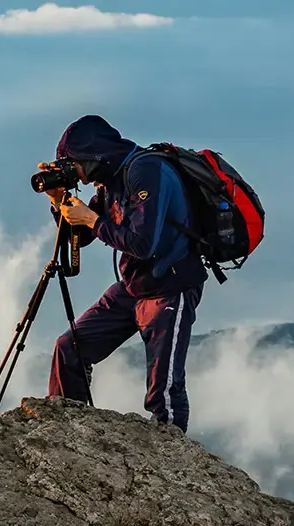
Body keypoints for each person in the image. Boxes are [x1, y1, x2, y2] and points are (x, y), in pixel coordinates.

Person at [41, 114, 207, 433]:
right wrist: (59, 202)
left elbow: (142, 243)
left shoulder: (145, 171)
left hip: (170, 286)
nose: (73, 170)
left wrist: (90, 219)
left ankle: (172, 464)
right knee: (69, 348)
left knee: (164, 394)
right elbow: (85, 236)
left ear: (93, 156)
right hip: (134, 287)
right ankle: (69, 434)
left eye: (73, 163)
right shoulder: (110, 179)